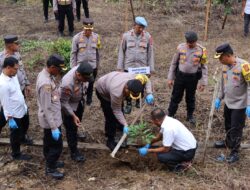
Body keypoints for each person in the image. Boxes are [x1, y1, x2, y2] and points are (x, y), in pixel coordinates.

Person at [95, 71, 154, 150]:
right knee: (110, 116)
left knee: (120, 110)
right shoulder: (116, 92)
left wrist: (149, 93)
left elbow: (146, 79)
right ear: (126, 89)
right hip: (103, 89)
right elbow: (116, 110)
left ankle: (120, 130)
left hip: (115, 79)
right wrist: (126, 124)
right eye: (130, 95)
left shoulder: (136, 79)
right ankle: (110, 139)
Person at [213, 43, 250, 163]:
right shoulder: (225, 67)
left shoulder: (244, 66)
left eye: (220, 58)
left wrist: (249, 104)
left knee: (236, 128)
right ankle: (228, 142)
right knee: (228, 124)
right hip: (228, 102)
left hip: (240, 104)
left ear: (227, 55)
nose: (219, 60)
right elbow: (222, 84)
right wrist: (219, 97)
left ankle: (235, 152)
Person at [167, 31, 208, 125]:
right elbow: (174, 63)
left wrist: (203, 82)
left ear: (196, 41)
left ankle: (190, 116)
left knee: (190, 98)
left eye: (191, 42)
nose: (189, 44)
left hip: (192, 79)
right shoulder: (180, 48)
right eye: (188, 42)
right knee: (175, 96)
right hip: (180, 77)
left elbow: (204, 67)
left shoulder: (202, 51)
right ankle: (171, 114)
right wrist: (170, 78)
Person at [138, 108, 197, 172]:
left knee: (161, 157)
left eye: (153, 121)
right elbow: (159, 137)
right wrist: (149, 143)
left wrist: (148, 150)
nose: (153, 123)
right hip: (189, 146)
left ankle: (180, 167)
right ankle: (181, 159)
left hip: (187, 152)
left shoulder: (168, 128)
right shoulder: (167, 120)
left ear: (157, 120)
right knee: (158, 150)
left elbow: (166, 149)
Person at [36, 54, 66, 179]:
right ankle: (50, 168)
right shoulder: (45, 83)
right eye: (58, 69)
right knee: (57, 145)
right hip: (51, 120)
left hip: (52, 117)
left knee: (48, 142)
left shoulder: (47, 75)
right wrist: (54, 127)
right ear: (52, 67)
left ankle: (50, 160)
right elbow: (46, 107)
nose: (59, 72)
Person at [117, 16, 155, 114]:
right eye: (139, 27)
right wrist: (119, 68)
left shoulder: (147, 37)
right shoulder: (126, 36)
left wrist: (151, 68)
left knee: (141, 84)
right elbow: (121, 52)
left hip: (142, 67)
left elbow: (150, 53)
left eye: (143, 27)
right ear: (134, 25)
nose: (141, 29)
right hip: (129, 67)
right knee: (129, 85)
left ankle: (139, 100)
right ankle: (128, 103)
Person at [0, 35, 32, 145]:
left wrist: (26, 83)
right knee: (5, 114)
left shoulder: (17, 54)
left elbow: (22, 70)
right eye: (16, 43)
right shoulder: (1, 58)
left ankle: (23, 136)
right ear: (9, 45)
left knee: (24, 115)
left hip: (19, 89)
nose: (18, 45)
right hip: (8, 92)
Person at [60, 61, 94, 162]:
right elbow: (64, 103)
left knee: (77, 123)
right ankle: (74, 152)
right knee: (71, 128)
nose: (86, 81)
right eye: (85, 79)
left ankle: (75, 131)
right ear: (78, 75)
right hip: (69, 106)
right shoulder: (67, 83)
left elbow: (85, 86)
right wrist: (73, 116)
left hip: (78, 102)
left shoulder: (82, 70)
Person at [0, 57, 32, 161]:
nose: (17, 71)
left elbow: (18, 91)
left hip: (22, 108)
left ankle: (23, 138)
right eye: (15, 69)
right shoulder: (3, 84)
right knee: (15, 133)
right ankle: (16, 154)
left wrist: (24, 106)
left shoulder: (13, 76)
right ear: (8, 67)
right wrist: (10, 118)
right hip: (13, 113)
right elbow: (5, 103)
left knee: (25, 125)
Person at [70, 18, 101, 105]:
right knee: (80, 84)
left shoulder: (96, 37)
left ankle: (89, 100)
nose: (88, 31)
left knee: (91, 83)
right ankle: (80, 98)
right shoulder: (76, 38)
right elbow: (73, 53)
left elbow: (98, 53)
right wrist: (73, 68)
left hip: (92, 65)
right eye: (87, 29)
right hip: (81, 67)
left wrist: (97, 65)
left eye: (90, 30)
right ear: (83, 28)